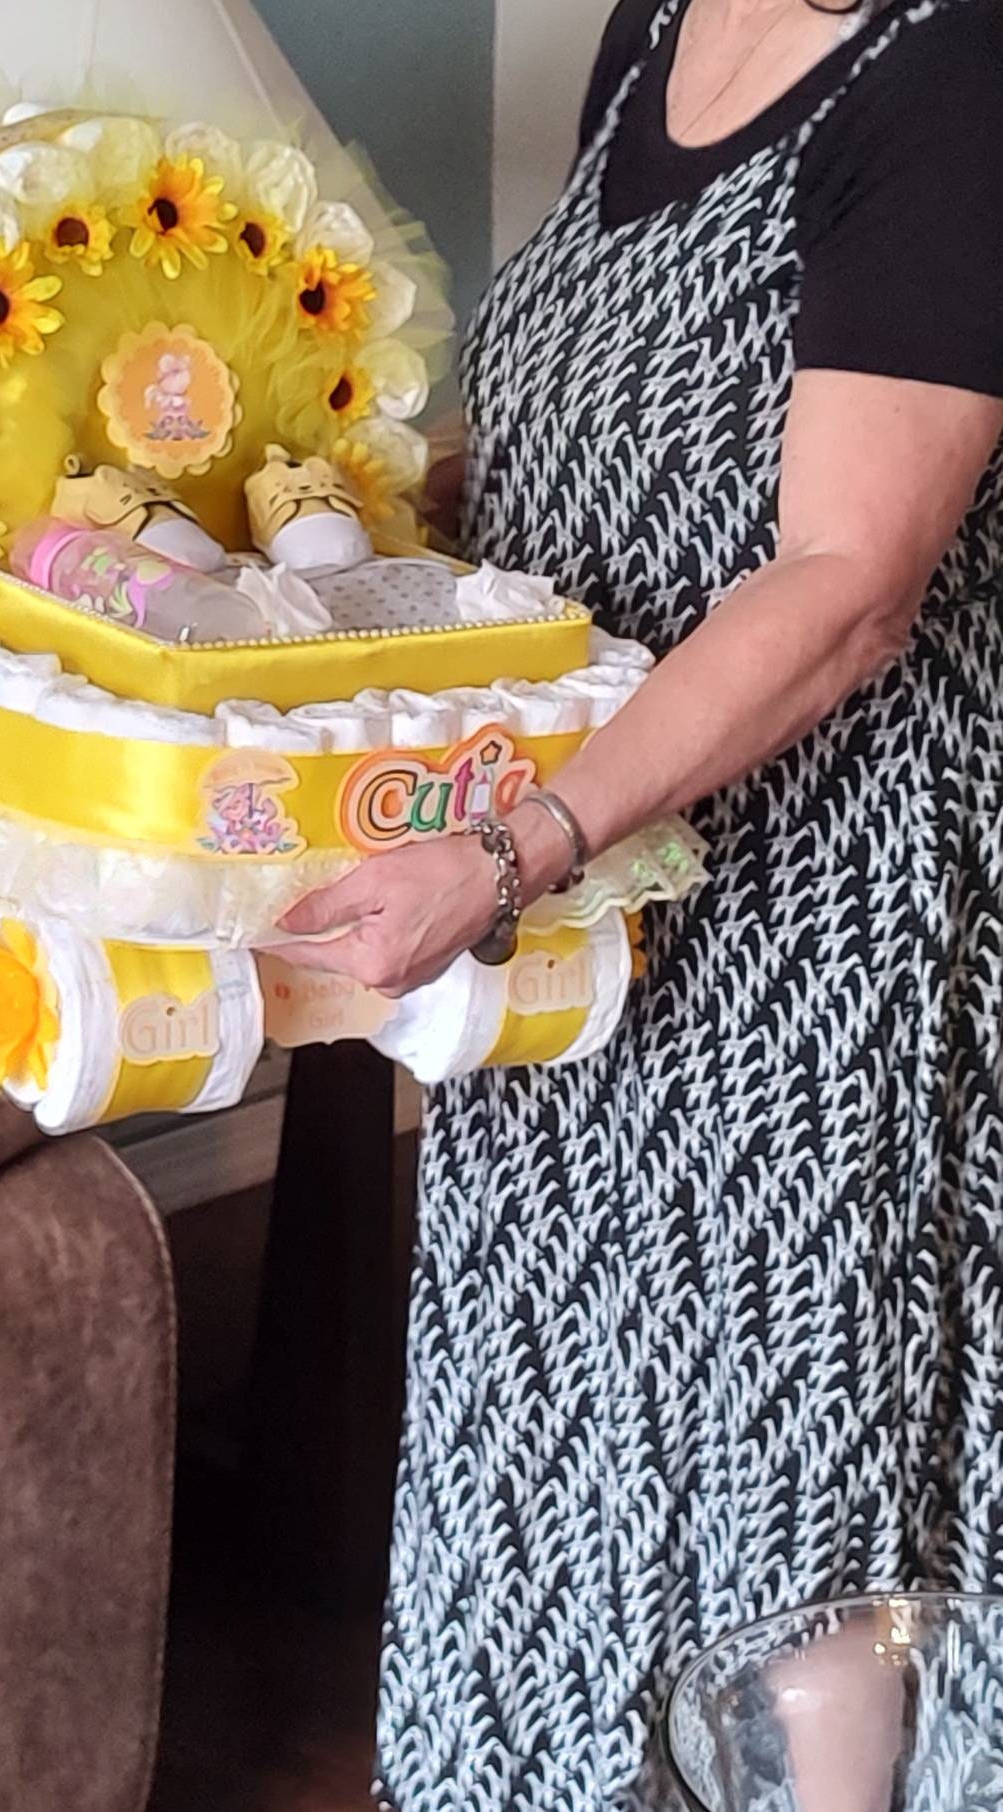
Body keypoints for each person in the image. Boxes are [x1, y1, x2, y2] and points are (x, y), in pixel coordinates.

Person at [274, 0, 1003, 1805]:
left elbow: (849, 588)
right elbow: (592, 445)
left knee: (781, 1517)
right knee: (552, 1445)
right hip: (586, 943)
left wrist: (517, 846)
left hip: (809, 952)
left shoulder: (955, 81)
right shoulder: (656, 27)